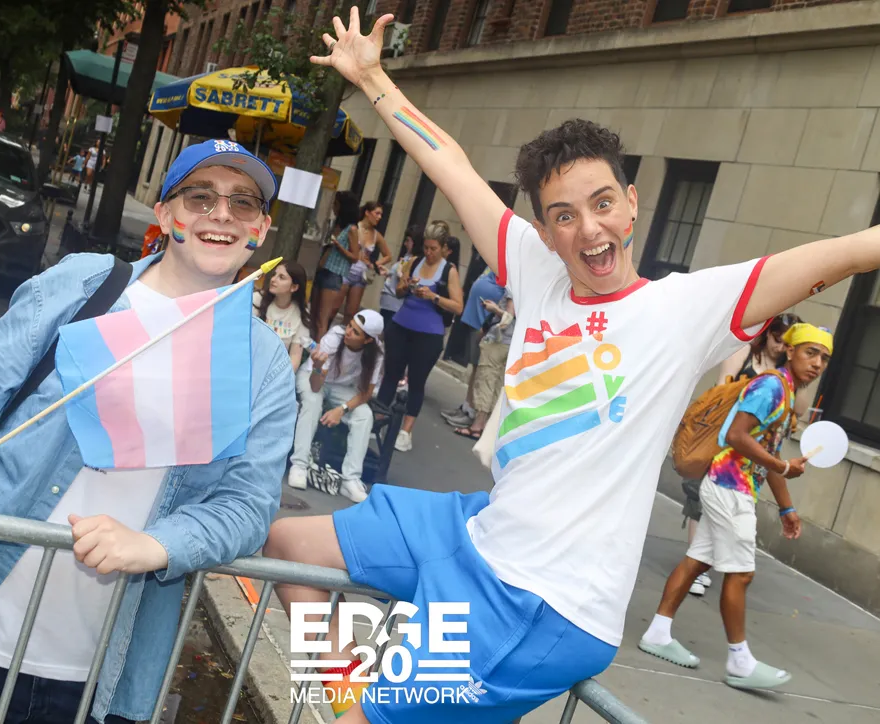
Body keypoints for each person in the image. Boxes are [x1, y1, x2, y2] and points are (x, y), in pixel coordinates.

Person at [264, 10, 880, 723]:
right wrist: (373, 78)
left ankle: (368, 711)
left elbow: (843, 253)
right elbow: (449, 164)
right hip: (479, 532)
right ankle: (354, 698)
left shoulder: (687, 308)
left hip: (541, 602)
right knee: (288, 542)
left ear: (631, 204)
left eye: (602, 203)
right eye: (563, 215)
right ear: (545, 230)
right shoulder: (535, 267)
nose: (588, 228)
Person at [0, 139, 296, 723]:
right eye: (200, 197)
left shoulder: (264, 363)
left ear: (262, 229)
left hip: (92, 678)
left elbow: (248, 505)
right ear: (165, 215)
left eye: (243, 202)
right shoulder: (85, 284)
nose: (221, 214)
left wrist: (158, 544)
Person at [639, 323, 832, 690]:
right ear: (790, 351)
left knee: (698, 561)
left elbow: (770, 453)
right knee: (741, 574)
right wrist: (781, 467)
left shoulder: (785, 391)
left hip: (731, 485)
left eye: (824, 358)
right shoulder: (771, 387)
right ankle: (740, 661)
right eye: (811, 353)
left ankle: (658, 633)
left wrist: (786, 508)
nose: (818, 363)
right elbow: (736, 435)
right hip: (730, 486)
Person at [682, 312, 804, 598]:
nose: (779, 346)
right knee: (699, 502)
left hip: (754, 458)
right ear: (767, 334)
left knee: (711, 530)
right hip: (722, 445)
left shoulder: (786, 375)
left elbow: (798, 410)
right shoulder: (746, 354)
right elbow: (721, 392)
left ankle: (695, 571)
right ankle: (698, 570)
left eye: (786, 342)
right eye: (776, 338)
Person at [375, 226, 464, 452]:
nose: (429, 253)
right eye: (426, 248)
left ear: (443, 248)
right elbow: (398, 291)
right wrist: (406, 286)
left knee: (416, 381)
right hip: (402, 325)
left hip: (429, 333)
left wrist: (433, 296)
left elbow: (458, 306)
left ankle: (406, 431)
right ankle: (377, 419)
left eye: (433, 249)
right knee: (391, 375)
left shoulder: (449, 271)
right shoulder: (415, 262)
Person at [287, 310, 385, 503]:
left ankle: (350, 479)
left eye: (355, 332)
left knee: (364, 415)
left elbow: (366, 393)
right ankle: (299, 464)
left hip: (342, 388)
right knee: (313, 401)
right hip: (313, 377)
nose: (348, 332)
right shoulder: (335, 337)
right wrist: (317, 365)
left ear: (368, 340)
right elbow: (315, 386)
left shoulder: (376, 354)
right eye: (350, 326)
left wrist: (342, 409)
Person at [441, 266, 508, 429]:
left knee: (480, 370)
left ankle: (472, 411)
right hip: (476, 320)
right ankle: (466, 406)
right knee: (474, 367)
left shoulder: (509, 268)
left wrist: (488, 324)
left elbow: (506, 301)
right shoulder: (493, 265)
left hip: (484, 325)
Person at [452, 292, 514, 440]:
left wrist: (493, 309)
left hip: (498, 340)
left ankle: (477, 426)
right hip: (511, 343)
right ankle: (486, 427)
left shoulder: (515, 286)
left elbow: (508, 317)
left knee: (486, 381)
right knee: (497, 384)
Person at [314, 191, 361, 338]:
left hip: (334, 274)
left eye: (336, 204)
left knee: (322, 318)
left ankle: (320, 347)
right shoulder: (335, 224)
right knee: (314, 313)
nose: (333, 207)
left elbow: (355, 257)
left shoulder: (352, 229)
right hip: (322, 269)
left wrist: (339, 246)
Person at [253, 260, 313, 371]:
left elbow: (295, 357)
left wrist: (281, 378)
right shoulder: (257, 299)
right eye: (274, 274)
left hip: (275, 371)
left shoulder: (301, 313)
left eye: (281, 277)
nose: (273, 279)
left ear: (294, 287)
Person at [340, 202, 392, 320]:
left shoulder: (376, 235)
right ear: (367, 213)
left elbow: (388, 256)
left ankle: (346, 330)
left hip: (361, 276)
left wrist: (374, 264)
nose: (379, 217)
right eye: (377, 213)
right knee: (334, 307)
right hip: (346, 270)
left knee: (351, 312)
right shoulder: (354, 227)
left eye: (381, 214)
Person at [378, 225, 423, 329]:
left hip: (395, 305)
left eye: (408, 241)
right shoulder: (407, 256)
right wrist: (389, 272)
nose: (405, 244)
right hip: (388, 301)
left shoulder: (415, 260)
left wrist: (400, 274)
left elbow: (407, 280)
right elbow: (398, 273)